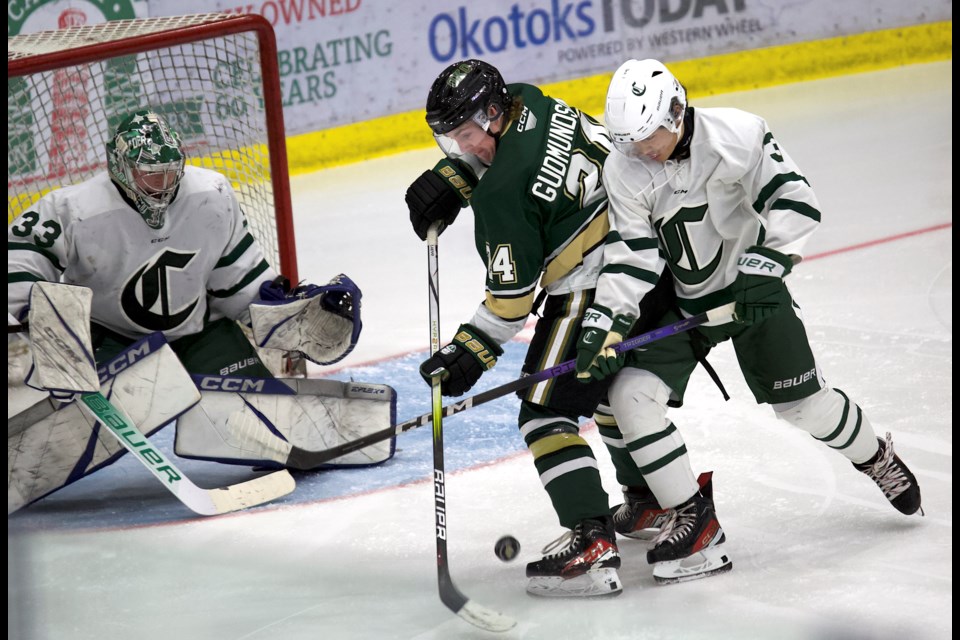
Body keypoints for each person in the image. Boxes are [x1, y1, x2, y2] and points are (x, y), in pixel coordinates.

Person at [575, 58, 923, 578]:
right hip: (687, 307)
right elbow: (633, 254)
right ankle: (694, 520)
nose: (640, 150)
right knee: (629, 394)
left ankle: (874, 456)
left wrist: (765, 267)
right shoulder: (625, 168)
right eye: (629, 141)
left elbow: (795, 199)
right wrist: (608, 320)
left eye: (647, 137)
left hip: (752, 294)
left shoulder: (739, 134)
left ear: (676, 109)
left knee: (806, 409)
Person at [403, 59, 716, 595]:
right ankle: (644, 502)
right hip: (653, 260)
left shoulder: (502, 196)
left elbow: (510, 303)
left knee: (544, 413)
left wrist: (467, 352)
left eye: (466, 136)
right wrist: (459, 174)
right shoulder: (534, 101)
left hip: (599, 284)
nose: (462, 148)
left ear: (493, 114)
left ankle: (591, 540)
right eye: (452, 141)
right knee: (606, 393)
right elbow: (526, 163)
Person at [7, 109, 387, 515]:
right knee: (64, 436)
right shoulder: (74, 208)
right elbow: (19, 260)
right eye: (150, 175)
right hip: (109, 336)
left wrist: (283, 310)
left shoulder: (211, 193)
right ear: (120, 168)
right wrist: (32, 317)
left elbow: (237, 283)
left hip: (197, 331)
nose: (162, 185)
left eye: (170, 173)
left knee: (271, 424)